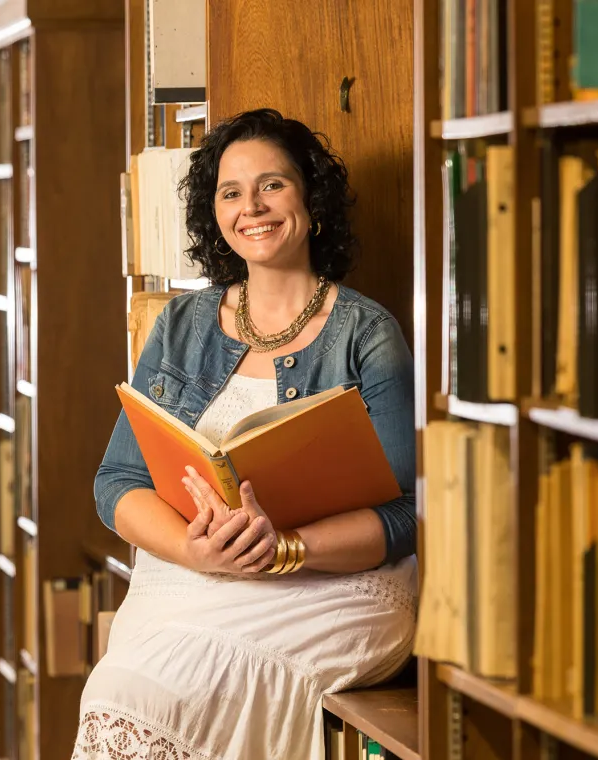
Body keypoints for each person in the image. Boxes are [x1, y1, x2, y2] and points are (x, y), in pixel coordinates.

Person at [72, 108, 417, 760]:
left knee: (179, 692)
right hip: (188, 574)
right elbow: (116, 482)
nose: (251, 207)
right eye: (231, 192)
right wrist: (197, 551)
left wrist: (283, 549)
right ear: (215, 214)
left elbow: (407, 513)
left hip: (331, 587)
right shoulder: (179, 325)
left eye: (273, 185)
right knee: (121, 692)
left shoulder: (368, 334)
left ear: (310, 199)